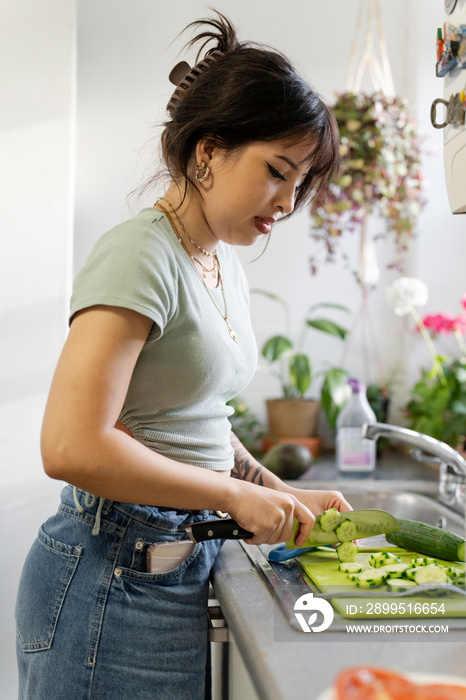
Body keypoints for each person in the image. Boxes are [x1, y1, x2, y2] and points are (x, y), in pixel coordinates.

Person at [16, 12, 352, 700]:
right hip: (110, 574)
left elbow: (196, 417)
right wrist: (234, 496)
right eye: (277, 171)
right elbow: (71, 444)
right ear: (207, 150)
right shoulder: (142, 253)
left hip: (168, 568)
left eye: (302, 182)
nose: (287, 202)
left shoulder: (220, 263)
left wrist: (277, 492)